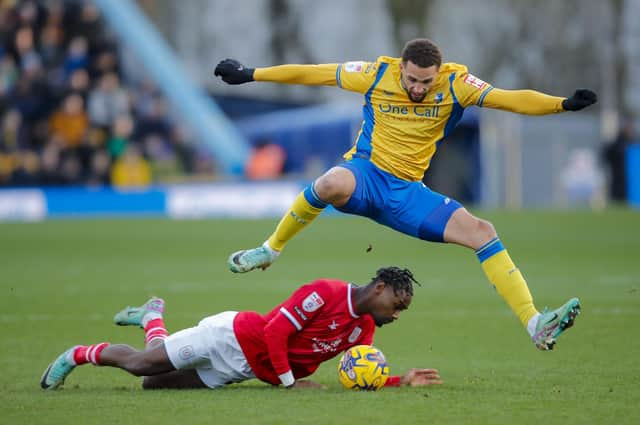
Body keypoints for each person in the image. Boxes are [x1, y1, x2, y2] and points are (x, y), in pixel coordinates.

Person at [214, 38, 596, 351]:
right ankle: (270, 249)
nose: (417, 88)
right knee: (330, 183)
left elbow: (509, 99)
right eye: (412, 79)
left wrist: (560, 105)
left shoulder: (457, 84)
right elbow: (314, 75)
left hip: (407, 194)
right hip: (365, 174)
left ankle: (535, 325)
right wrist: (251, 74)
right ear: (401, 68)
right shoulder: (375, 73)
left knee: (483, 232)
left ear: (437, 74)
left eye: (425, 83)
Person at [41, 267, 443, 390]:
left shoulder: (363, 330)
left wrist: (398, 382)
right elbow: (274, 334)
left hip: (239, 370)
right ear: (379, 289)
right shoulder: (324, 292)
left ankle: (152, 318)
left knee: (154, 385)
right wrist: (289, 383)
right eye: (397, 304)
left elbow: (360, 375)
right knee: (140, 367)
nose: (397, 314)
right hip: (229, 337)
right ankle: (77, 354)